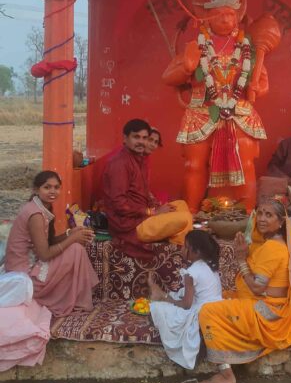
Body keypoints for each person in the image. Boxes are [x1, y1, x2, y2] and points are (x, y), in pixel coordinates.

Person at [196, 199, 291, 383]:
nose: (261, 219)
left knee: (207, 311)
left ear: (280, 222)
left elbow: (256, 288)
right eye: (260, 213)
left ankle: (226, 374)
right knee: (225, 295)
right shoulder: (270, 243)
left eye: (269, 215)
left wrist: (241, 259)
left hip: (266, 312)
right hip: (269, 305)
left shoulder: (272, 248)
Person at [5, 171, 97, 317]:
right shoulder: (35, 214)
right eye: (47, 187)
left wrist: (70, 233)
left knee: (75, 247)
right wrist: (73, 239)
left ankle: (77, 296)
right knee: (75, 249)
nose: (52, 191)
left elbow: (49, 241)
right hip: (25, 278)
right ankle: (75, 299)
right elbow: (45, 254)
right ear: (37, 189)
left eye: (56, 187)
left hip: (33, 266)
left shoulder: (41, 207)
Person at [102, 119, 192, 259]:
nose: (141, 142)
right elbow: (119, 204)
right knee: (184, 218)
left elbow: (141, 193)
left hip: (141, 216)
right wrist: (152, 212)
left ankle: (180, 246)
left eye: (144, 138)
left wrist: (156, 207)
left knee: (181, 205)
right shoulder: (120, 164)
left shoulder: (138, 159)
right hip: (130, 226)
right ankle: (178, 256)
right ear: (125, 138)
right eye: (136, 137)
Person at [149, 230, 223, 370]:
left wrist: (165, 298)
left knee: (156, 309)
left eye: (185, 246)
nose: (182, 249)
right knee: (177, 295)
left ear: (196, 252)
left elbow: (186, 305)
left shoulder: (191, 273)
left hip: (202, 313)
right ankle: (160, 295)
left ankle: (160, 295)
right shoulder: (209, 265)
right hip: (217, 308)